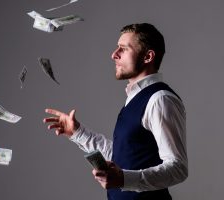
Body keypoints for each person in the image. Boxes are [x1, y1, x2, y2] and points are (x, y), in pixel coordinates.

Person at [43, 23, 188, 200]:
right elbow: (123, 156)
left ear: (148, 57)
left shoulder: (160, 99)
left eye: (123, 49)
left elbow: (178, 168)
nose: (114, 55)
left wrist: (124, 179)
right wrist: (77, 132)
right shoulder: (135, 98)